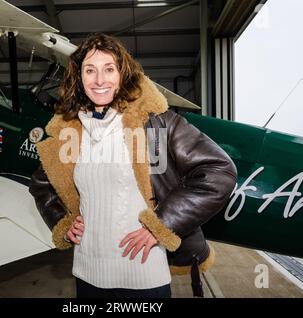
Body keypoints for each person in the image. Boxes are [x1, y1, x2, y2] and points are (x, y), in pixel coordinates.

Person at [29, 33, 237, 298]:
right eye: (90, 70)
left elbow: (219, 171)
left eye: (109, 69)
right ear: (79, 78)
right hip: (87, 275)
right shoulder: (70, 132)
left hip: (143, 278)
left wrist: (162, 223)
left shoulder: (156, 123)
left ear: (122, 74)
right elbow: (40, 185)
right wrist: (63, 223)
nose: (100, 80)